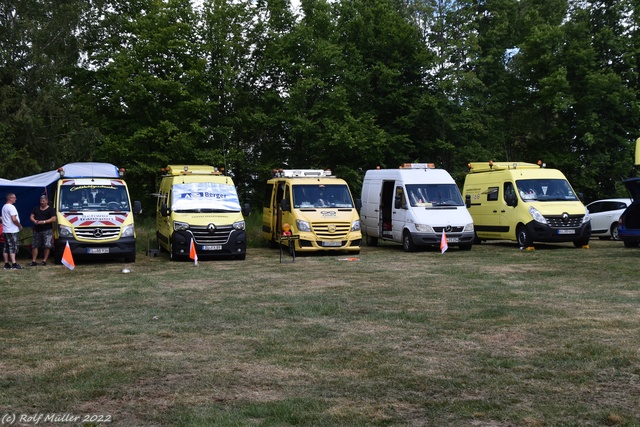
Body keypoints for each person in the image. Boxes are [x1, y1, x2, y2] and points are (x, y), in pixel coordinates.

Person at [29, 195, 56, 266]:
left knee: (47, 245)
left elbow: (53, 219)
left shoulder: (51, 209)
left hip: (47, 230)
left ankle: (44, 260)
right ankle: (34, 261)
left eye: (43, 201)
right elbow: (31, 216)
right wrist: (34, 221)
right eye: (41, 201)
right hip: (37, 230)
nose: (42, 202)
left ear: (47, 201)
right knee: (35, 245)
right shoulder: (36, 208)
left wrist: (44, 222)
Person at [2, 193, 24, 269]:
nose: (15, 199)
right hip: (12, 230)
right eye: (14, 197)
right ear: (10, 198)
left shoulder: (4, 207)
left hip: (5, 230)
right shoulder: (11, 207)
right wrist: (19, 225)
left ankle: (6, 263)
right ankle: (14, 263)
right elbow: (14, 219)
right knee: (13, 246)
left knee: (6, 246)